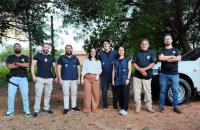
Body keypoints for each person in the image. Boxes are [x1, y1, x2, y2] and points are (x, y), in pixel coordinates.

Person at [31, 43, 57, 117]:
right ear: (42, 47)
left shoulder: (51, 57)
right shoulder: (37, 56)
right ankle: (36, 110)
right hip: (40, 78)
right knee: (38, 95)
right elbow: (33, 65)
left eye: (48, 48)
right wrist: (33, 75)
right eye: (45, 47)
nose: (46, 49)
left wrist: (57, 76)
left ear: (49, 49)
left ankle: (46, 108)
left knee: (48, 95)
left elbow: (54, 67)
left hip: (49, 78)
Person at [5, 43, 31, 118]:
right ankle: (10, 111)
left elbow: (27, 65)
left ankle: (26, 110)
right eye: (16, 47)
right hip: (13, 78)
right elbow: (9, 66)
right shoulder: (10, 57)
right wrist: (21, 64)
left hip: (23, 78)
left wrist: (16, 63)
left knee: (25, 95)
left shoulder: (25, 57)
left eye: (18, 46)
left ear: (20, 48)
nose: (17, 48)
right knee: (11, 96)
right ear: (14, 48)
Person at [158, 34, 182, 114]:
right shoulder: (161, 51)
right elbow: (160, 58)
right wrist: (172, 57)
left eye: (169, 39)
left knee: (175, 90)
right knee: (162, 90)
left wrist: (166, 58)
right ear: (164, 41)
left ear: (171, 40)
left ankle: (175, 106)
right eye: (166, 39)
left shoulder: (176, 50)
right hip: (163, 74)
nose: (167, 40)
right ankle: (161, 106)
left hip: (174, 74)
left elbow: (179, 58)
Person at [132, 39, 156, 113]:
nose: (144, 45)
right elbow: (133, 63)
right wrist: (140, 70)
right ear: (140, 45)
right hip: (137, 76)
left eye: (145, 44)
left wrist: (144, 69)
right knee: (136, 91)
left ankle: (148, 106)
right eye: (142, 44)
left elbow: (153, 63)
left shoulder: (152, 52)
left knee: (148, 91)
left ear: (148, 45)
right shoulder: (137, 53)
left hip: (147, 76)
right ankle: (138, 106)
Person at [57, 44, 81, 115]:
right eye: (67, 48)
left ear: (72, 49)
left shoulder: (75, 58)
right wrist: (60, 78)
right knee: (66, 94)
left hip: (74, 79)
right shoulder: (61, 58)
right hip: (65, 79)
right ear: (65, 50)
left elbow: (79, 68)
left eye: (70, 48)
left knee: (74, 94)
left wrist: (79, 78)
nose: (68, 49)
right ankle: (66, 108)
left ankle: (74, 107)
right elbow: (58, 68)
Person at [112, 46, 131, 116]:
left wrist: (128, 79)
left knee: (125, 95)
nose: (121, 51)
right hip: (117, 79)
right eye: (119, 50)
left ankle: (125, 109)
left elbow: (129, 70)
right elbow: (113, 70)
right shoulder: (115, 60)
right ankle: (122, 108)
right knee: (119, 95)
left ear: (124, 51)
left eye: (122, 50)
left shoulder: (127, 59)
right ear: (118, 51)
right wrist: (113, 80)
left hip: (125, 79)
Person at [81, 48, 102, 112]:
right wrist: (82, 78)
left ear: (96, 53)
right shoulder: (86, 61)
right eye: (92, 51)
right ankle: (87, 109)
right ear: (90, 53)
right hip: (87, 78)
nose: (93, 52)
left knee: (95, 94)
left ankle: (94, 108)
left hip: (95, 78)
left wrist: (98, 75)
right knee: (87, 94)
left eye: (94, 51)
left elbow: (100, 69)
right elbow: (83, 70)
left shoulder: (98, 61)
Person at [99, 40, 117, 109]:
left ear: (109, 45)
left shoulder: (114, 53)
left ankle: (115, 105)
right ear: (103, 46)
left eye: (107, 43)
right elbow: (98, 64)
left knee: (114, 90)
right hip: (104, 75)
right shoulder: (100, 54)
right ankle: (105, 105)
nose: (105, 44)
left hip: (113, 75)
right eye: (104, 44)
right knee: (104, 91)